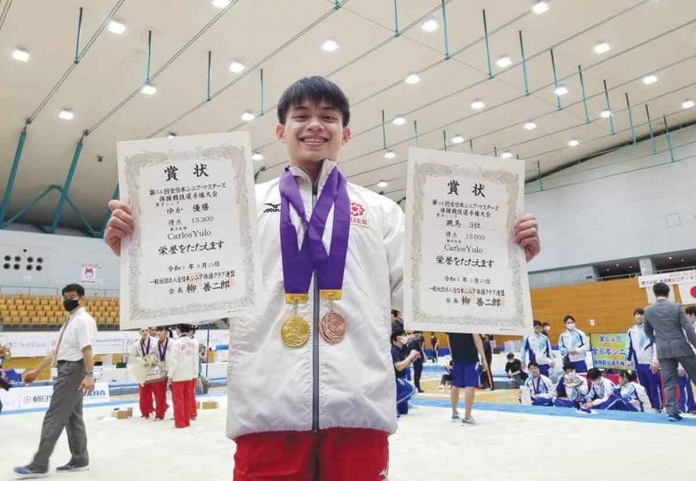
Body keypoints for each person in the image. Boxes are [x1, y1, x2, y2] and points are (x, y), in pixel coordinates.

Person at [103, 76, 542, 479]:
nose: (315, 125)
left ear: (345, 133)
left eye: (328, 117)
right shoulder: (240, 205)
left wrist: (507, 257)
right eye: (302, 116)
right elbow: (197, 284)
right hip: (266, 407)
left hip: (359, 406)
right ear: (280, 130)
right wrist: (139, 248)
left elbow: (422, 292)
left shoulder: (381, 212)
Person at [14, 284, 97, 477]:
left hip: (72, 370)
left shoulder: (83, 320)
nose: (69, 299)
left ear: (81, 298)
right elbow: (56, 352)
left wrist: (89, 375)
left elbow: (87, 350)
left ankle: (39, 464)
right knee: (72, 417)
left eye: (73, 296)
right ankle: (80, 459)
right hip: (67, 368)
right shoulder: (69, 322)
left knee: (54, 416)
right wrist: (36, 370)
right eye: (66, 296)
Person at [643, 282, 696, 422]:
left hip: (663, 349)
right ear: (669, 293)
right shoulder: (676, 306)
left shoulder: (648, 310)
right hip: (681, 346)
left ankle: (672, 412)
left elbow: (647, 331)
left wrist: (657, 340)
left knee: (669, 382)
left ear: (655, 293)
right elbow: (688, 329)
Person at [447, 333, 489, 424]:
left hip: (457, 358)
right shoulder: (470, 321)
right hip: (470, 358)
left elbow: (448, 340)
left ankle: (454, 412)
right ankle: (467, 416)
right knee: (470, 385)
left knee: (455, 384)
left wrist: (452, 355)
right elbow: (477, 340)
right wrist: (483, 358)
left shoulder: (451, 322)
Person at [625, 308, 661, 411]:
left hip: (650, 363)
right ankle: (648, 405)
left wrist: (655, 361)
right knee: (644, 387)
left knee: (654, 386)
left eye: (641, 314)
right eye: (636, 314)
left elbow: (656, 346)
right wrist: (628, 360)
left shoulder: (652, 329)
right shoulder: (631, 331)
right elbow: (629, 347)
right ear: (634, 317)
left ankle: (657, 406)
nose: (639, 316)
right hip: (639, 364)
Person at [167, 324, 199, 429]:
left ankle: (180, 422)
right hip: (189, 375)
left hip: (178, 375)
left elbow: (173, 361)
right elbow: (195, 360)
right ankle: (186, 421)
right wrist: (195, 374)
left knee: (178, 399)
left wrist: (170, 375)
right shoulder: (193, 342)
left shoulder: (177, 343)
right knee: (187, 398)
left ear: (179, 330)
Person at [128, 327, 158, 419]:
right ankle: (145, 412)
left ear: (148, 332)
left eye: (146, 331)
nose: (145, 332)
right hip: (143, 370)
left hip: (154, 369)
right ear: (139, 333)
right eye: (142, 331)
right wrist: (143, 360)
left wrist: (153, 359)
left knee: (157, 392)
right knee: (144, 393)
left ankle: (159, 411)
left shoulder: (155, 342)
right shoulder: (136, 345)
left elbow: (159, 353)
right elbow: (132, 357)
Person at [391, 330, 419, 416]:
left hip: (401, 378)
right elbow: (398, 367)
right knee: (412, 389)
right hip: (395, 380)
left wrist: (412, 359)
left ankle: (398, 402)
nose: (406, 337)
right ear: (398, 338)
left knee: (404, 411)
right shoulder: (394, 350)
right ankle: (391, 406)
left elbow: (404, 366)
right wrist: (410, 356)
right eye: (404, 335)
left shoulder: (401, 350)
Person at [152, 326, 172, 421]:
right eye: (158, 331)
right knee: (159, 393)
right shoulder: (155, 346)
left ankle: (178, 413)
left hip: (172, 371)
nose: (158, 333)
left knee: (175, 393)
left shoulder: (173, 343)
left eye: (161, 331)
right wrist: (154, 361)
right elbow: (153, 357)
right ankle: (159, 414)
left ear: (166, 332)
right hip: (161, 371)